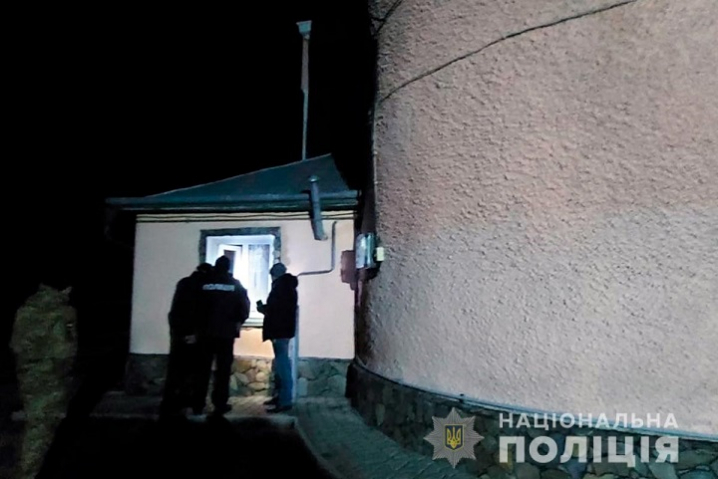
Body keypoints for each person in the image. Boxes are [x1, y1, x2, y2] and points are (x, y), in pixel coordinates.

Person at [192, 256, 250, 415]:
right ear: (228, 268)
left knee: (202, 370)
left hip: (205, 333)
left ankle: (198, 403)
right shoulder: (235, 285)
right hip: (226, 334)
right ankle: (220, 403)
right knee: (223, 371)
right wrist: (237, 321)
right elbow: (244, 308)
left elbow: (194, 306)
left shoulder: (203, 284)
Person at [160, 262, 211, 416]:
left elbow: (175, 311)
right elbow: (198, 312)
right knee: (197, 371)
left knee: (176, 370)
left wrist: (178, 333)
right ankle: (194, 403)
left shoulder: (183, 283)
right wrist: (194, 333)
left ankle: (170, 403)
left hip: (178, 334)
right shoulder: (203, 286)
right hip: (195, 336)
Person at [257, 262, 298, 413]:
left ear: (274, 275)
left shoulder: (280, 288)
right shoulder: (288, 287)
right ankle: (280, 397)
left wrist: (263, 308)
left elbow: (275, 310)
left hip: (279, 331)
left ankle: (284, 401)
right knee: (281, 365)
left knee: (282, 366)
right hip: (284, 331)